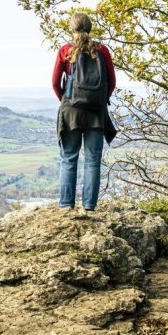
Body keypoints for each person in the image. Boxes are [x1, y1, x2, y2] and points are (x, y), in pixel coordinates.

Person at [52, 12, 118, 211]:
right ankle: (89, 207)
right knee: (92, 160)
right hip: (96, 113)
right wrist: (99, 100)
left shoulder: (65, 50)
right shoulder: (102, 50)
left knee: (69, 158)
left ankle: (66, 206)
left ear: (71, 29)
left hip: (71, 111)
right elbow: (112, 82)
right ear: (89, 28)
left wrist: (67, 101)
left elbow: (55, 83)